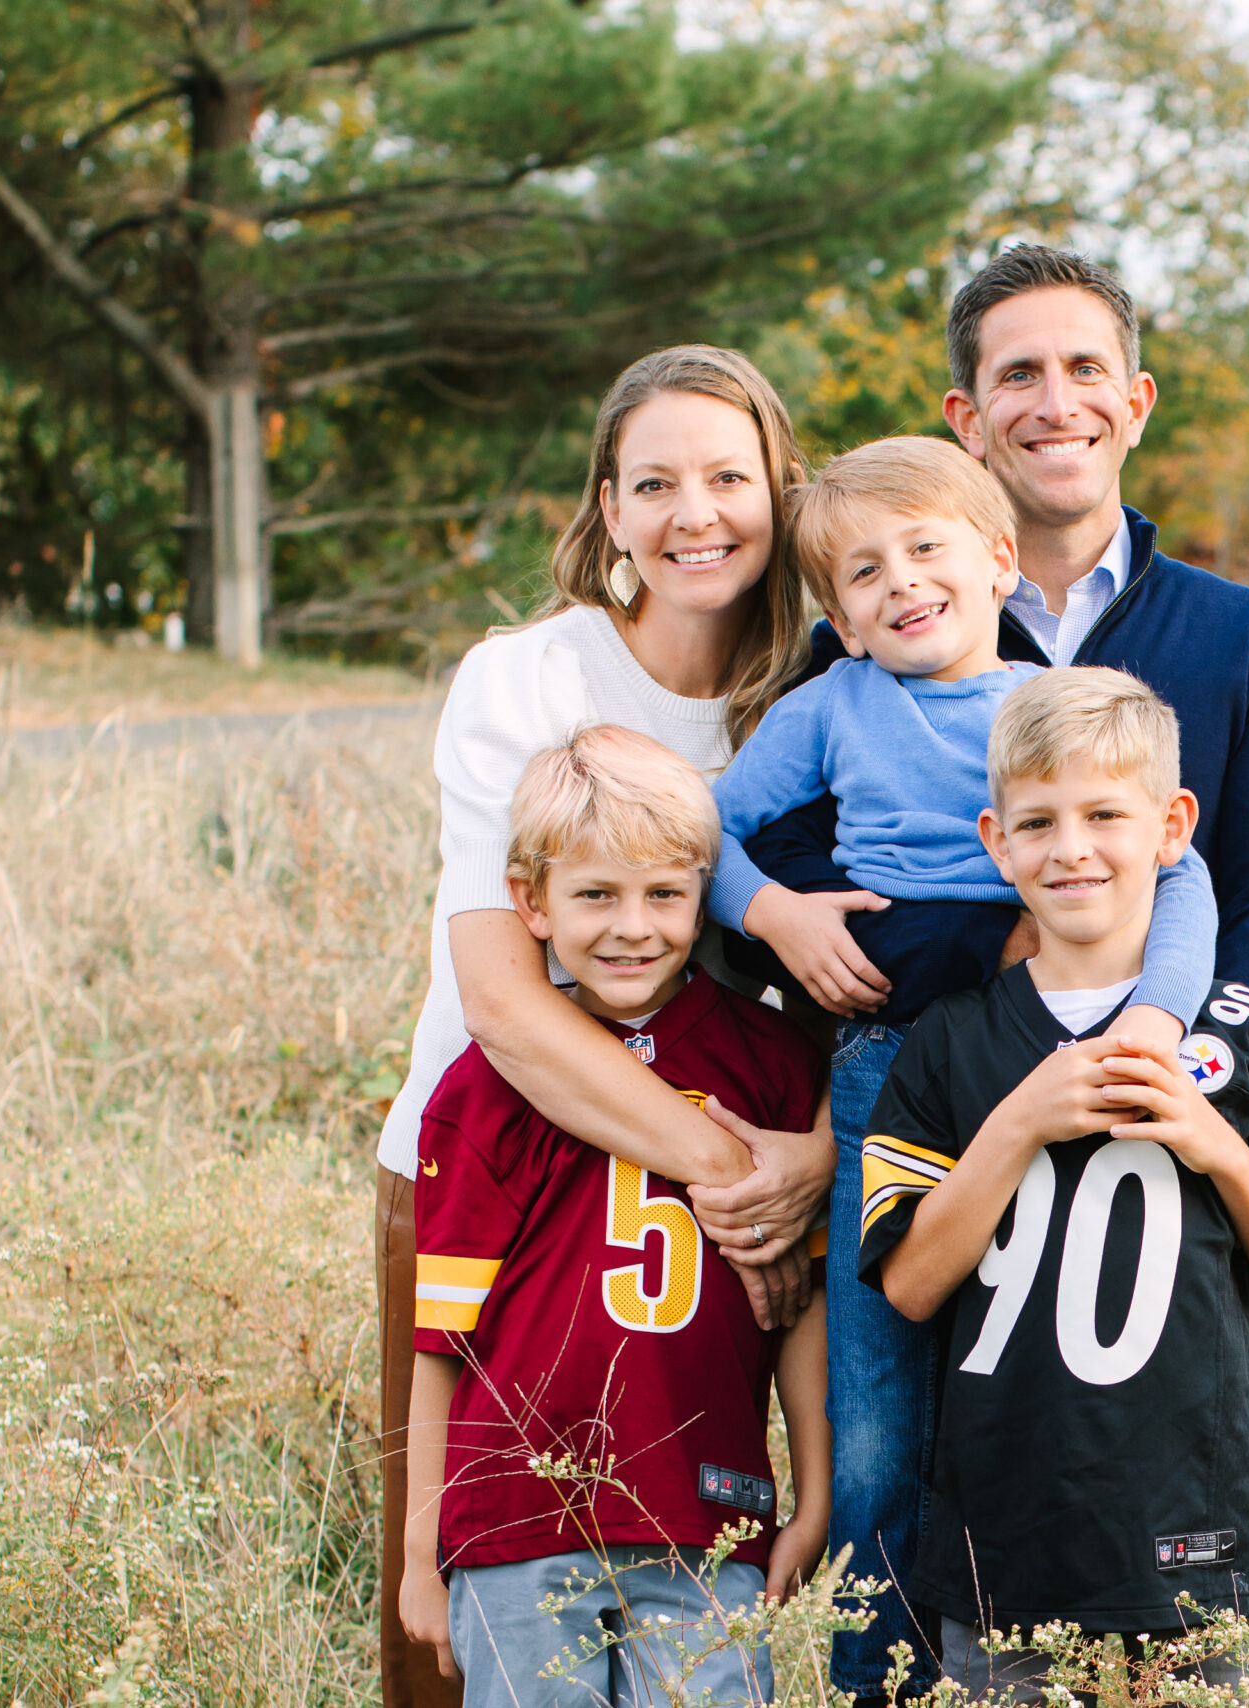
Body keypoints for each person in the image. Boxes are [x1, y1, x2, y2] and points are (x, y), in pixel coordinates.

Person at [739, 248, 1249, 1707]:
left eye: (1084, 369)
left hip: (1170, 1108)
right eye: (1017, 373)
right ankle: (916, 1683)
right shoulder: (883, 638)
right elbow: (819, 889)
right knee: (927, 1436)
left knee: (1236, 1438)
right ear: (967, 417)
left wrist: (1181, 1055)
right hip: (940, 1100)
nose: (1053, 401)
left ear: (1135, 401)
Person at [709, 436, 1220, 1678]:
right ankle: (882, 1672)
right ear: (837, 615)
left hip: (1042, 1052)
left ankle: (1052, 1649)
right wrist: (774, 912)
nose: (898, 584)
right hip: (884, 1064)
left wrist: (1155, 1018)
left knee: (1032, 1377)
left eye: (924, 549)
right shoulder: (829, 707)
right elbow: (701, 830)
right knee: (877, 1397)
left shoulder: (1047, 708)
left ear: (998, 559)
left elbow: (1183, 868)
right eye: (862, 574)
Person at [376, 347, 840, 1708]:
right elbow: (507, 1011)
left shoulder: (818, 697)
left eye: (727, 477)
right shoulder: (527, 681)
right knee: (467, 1620)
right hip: (497, 1163)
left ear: (780, 493)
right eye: (655, 483)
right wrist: (747, 1171)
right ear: (609, 508)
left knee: (687, 1581)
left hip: (726, 1200)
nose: (695, 513)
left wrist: (815, 1166)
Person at [858, 669, 1249, 1695]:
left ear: (1170, 827)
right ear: (997, 840)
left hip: (1193, 1512)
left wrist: (1213, 1144)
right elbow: (907, 1285)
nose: (1069, 846)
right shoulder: (949, 1040)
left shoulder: (1237, 1036)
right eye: (1037, 820)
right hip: (1008, 1521)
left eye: (1104, 814)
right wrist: (1019, 1122)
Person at [399, 727, 831, 1706]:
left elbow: (797, 1303)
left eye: (663, 895)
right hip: (516, 1521)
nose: (631, 927)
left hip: (708, 1517)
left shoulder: (771, 1060)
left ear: (703, 895)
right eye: (596, 894)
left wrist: (813, 1488)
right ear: (532, 903)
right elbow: (440, 1342)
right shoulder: (486, 1088)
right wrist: (420, 1549)